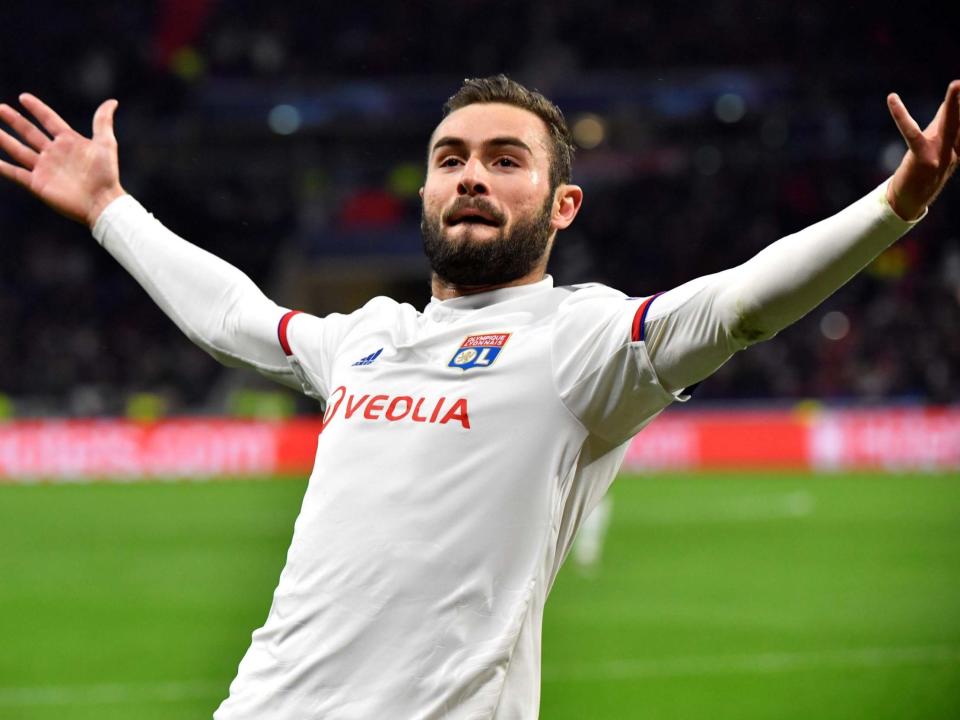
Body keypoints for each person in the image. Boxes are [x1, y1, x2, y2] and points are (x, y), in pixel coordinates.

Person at [0, 74, 957, 719]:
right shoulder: (367, 336)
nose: (471, 176)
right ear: (423, 190)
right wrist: (110, 209)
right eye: (452, 157)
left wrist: (897, 203)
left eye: (506, 160)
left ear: (562, 204)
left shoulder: (581, 343)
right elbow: (233, 316)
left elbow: (744, 301)